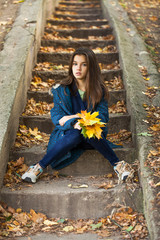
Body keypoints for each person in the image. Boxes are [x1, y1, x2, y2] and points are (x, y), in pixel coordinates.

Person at [22, 47, 131, 183]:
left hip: (92, 137)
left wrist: (78, 119)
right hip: (67, 136)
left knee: (87, 130)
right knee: (75, 133)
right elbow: (57, 116)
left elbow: (103, 116)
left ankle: (37, 168)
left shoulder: (99, 90)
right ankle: (118, 164)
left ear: (91, 67)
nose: (78, 68)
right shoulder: (62, 90)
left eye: (84, 64)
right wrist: (74, 123)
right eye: (75, 63)